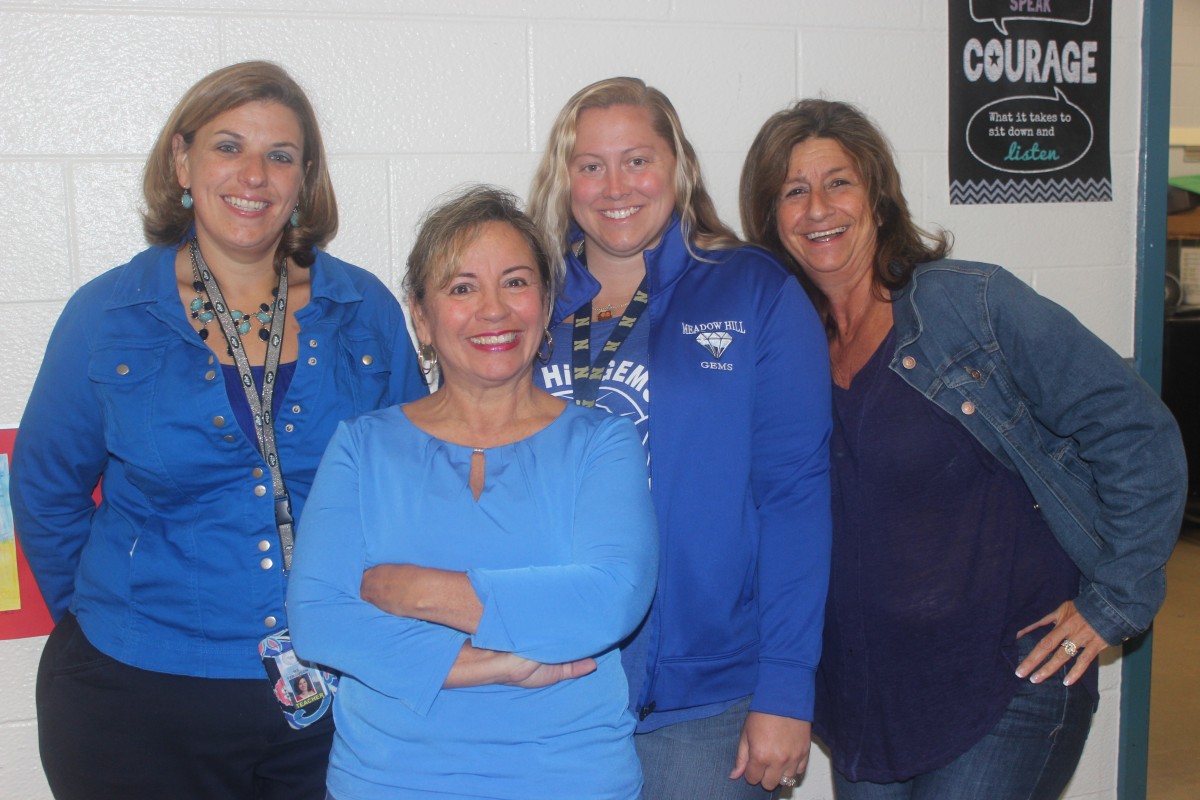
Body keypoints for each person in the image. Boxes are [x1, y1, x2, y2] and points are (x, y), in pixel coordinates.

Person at [739, 98, 1188, 800]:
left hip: (1008, 680)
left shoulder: (971, 306)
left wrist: (1116, 601)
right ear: (771, 218)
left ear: (878, 197)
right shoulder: (781, 348)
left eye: (839, 182)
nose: (818, 207)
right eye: (793, 191)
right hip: (867, 699)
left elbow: (1134, 429)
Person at [11, 61, 424, 800]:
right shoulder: (107, 316)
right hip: (132, 700)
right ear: (182, 161)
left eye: (281, 155)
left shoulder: (363, 310)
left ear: (306, 178)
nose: (254, 175)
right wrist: (121, 612)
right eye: (228, 146)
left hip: (329, 694)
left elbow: (413, 481)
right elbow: (44, 488)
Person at [286, 186, 659, 800]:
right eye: (461, 288)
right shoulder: (362, 446)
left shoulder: (603, 442)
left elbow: (608, 600)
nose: (493, 310)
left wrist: (412, 588)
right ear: (422, 319)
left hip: (569, 779)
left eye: (515, 282)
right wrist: (496, 664)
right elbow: (321, 620)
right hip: (388, 781)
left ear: (545, 306)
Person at [526, 77, 833, 798]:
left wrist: (787, 687)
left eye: (637, 160)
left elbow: (795, 497)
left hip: (703, 702)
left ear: (679, 167)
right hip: (547, 685)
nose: (615, 186)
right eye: (590, 165)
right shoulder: (527, 302)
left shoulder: (752, 291)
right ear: (564, 179)